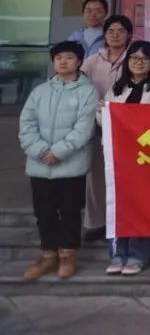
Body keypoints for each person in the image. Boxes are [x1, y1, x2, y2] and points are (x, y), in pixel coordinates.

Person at [19, 41, 97, 281]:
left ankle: (67, 255)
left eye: (69, 57)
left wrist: (59, 152)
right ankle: (48, 256)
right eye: (59, 58)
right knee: (44, 213)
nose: (63, 62)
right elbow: (27, 124)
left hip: (71, 166)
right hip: (39, 165)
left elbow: (84, 128)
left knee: (70, 212)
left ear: (79, 61)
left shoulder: (88, 92)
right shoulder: (40, 91)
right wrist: (41, 151)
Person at [100, 42, 150, 276]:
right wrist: (103, 113)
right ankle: (117, 254)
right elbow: (105, 120)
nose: (139, 62)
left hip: (149, 159)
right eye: (134, 58)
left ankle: (138, 254)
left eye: (144, 58)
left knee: (143, 207)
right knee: (118, 205)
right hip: (119, 158)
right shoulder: (116, 88)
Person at [81, 14, 133, 242]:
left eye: (121, 31)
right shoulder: (92, 61)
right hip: (96, 125)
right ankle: (95, 223)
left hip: (125, 129)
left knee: (124, 177)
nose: (115, 35)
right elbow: (79, 87)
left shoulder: (134, 58)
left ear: (129, 35)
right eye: (111, 31)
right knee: (95, 177)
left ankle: (122, 222)